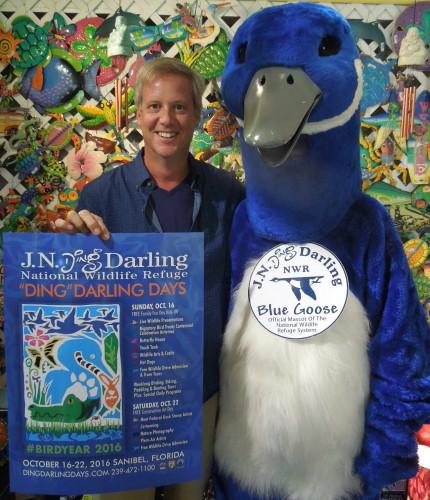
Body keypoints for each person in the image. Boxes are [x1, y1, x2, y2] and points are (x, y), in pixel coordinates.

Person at [55, 57, 244, 500]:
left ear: (196, 115)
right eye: (155, 106)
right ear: (138, 114)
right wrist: (68, 248)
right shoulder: (100, 196)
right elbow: (77, 304)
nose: (166, 119)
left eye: (179, 107)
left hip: (199, 390)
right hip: (123, 396)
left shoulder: (229, 196)